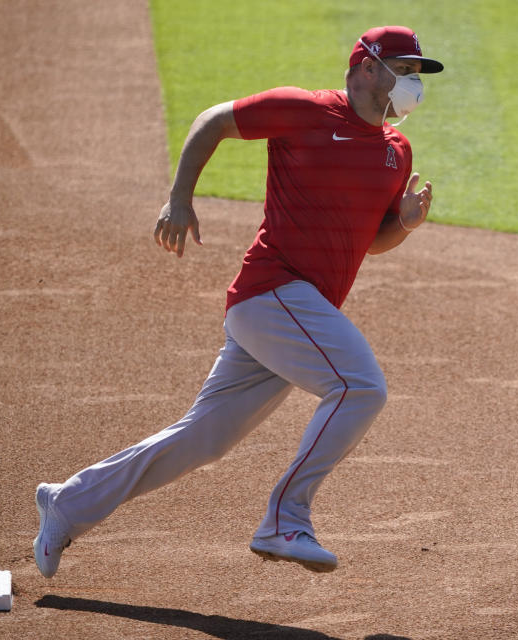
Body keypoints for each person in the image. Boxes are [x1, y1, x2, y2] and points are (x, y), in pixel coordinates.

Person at [33, 25, 443, 577]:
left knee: (202, 438)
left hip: (292, 315)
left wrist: (407, 225)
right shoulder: (305, 112)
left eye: (417, 73)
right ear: (366, 67)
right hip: (272, 291)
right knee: (360, 386)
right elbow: (214, 121)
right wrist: (180, 198)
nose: (413, 83)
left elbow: (373, 239)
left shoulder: (397, 150)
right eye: (405, 69)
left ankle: (68, 502)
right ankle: (286, 517)